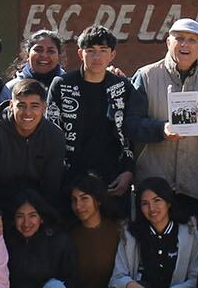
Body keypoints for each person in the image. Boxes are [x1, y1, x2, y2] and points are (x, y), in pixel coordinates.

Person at [129, 17, 198, 223]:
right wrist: (162, 130)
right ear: (168, 42)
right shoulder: (145, 76)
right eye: (179, 38)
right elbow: (131, 125)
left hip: (193, 187)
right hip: (153, 187)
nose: (185, 44)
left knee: (189, 248)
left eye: (192, 40)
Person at [48, 25, 137, 196]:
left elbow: (130, 132)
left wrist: (128, 171)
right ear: (80, 53)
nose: (97, 56)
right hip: (70, 174)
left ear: (112, 55)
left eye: (103, 50)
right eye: (90, 50)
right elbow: (52, 130)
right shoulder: (62, 84)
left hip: (113, 175)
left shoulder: (121, 86)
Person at [0, 78, 68, 217]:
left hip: (37, 211)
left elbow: (51, 189)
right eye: (21, 105)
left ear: (44, 108)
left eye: (34, 106)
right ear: (11, 105)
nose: (27, 112)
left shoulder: (55, 136)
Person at [13, 29, 67, 95]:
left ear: (59, 56)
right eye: (38, 50)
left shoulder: (69, 87)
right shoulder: (11, 88)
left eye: (50, 51)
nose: (44, 55)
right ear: (27, 55)